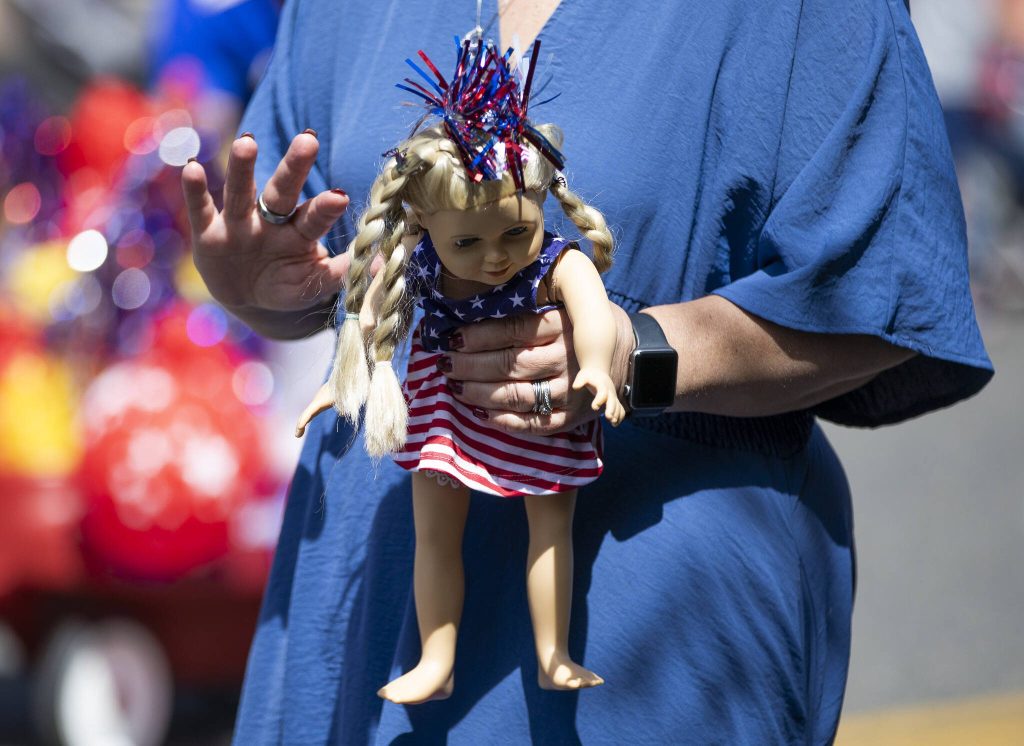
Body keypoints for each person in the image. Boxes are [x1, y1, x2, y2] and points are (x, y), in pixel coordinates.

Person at [181, 1, 993, 742]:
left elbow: (886, 291)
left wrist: (632, 350)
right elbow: (332, 280)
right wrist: (259, 292)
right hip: (360, 606)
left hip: (649, 639)